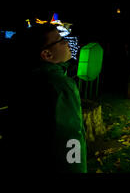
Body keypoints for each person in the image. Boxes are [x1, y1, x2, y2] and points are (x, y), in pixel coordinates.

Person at [7, 23, 87, 173]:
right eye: (61, 40)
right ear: (47, 54)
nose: (68, 43)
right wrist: (76, 167)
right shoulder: (59, 86)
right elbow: (70, 137)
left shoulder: (25, 79)